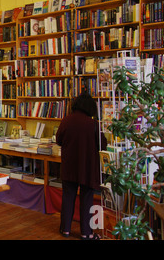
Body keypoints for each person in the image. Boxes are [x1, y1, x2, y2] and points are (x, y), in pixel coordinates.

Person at [56, 92, 107, 240]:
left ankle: (65, 229)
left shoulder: (66, 120)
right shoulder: (93, 124)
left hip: (69, 166)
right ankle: (86, 233)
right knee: (87, 199)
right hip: (87, 168)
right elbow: (102, 144)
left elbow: (59, 140)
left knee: (68, 197)